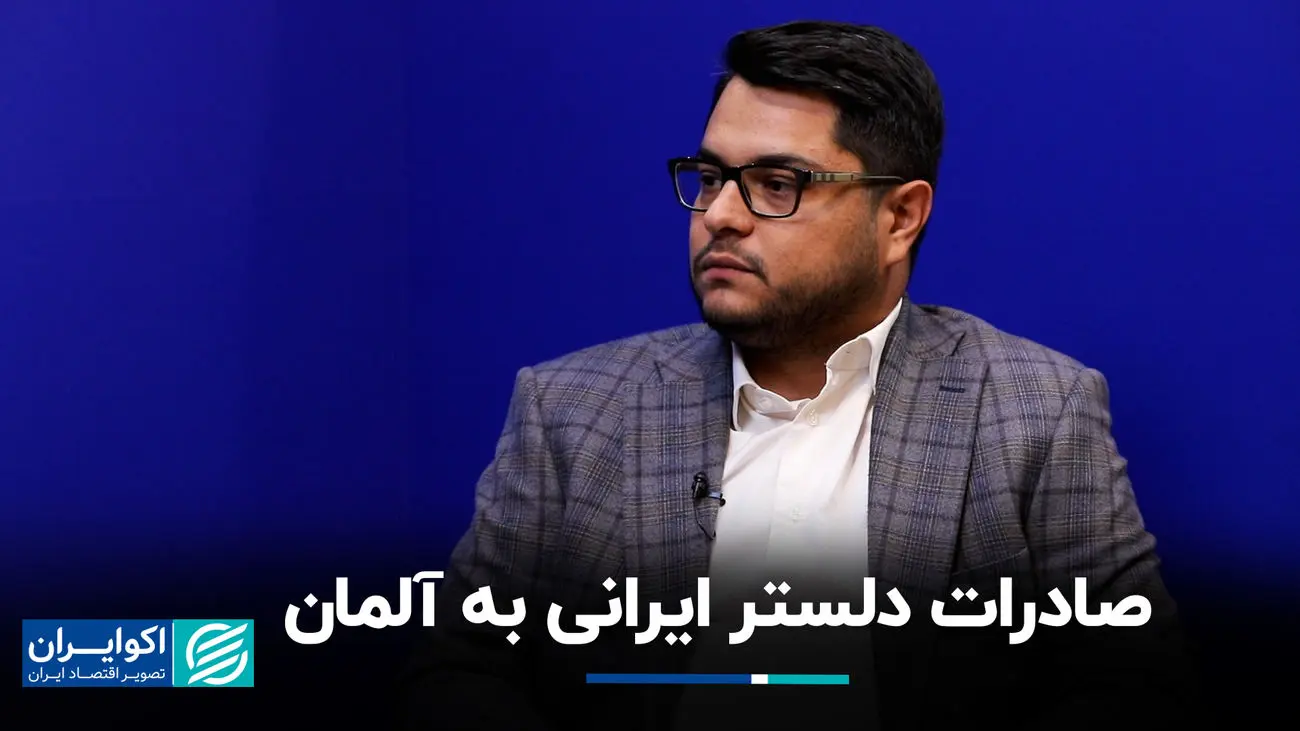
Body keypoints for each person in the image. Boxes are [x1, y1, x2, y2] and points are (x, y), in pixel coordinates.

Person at [398, 20, 1196, 731]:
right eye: (710, 176)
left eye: (777, 185)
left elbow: (1135, 682)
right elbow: (459, 670)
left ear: (900, 217)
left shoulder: (1036, 411)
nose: (720, 215)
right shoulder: (571, 410)